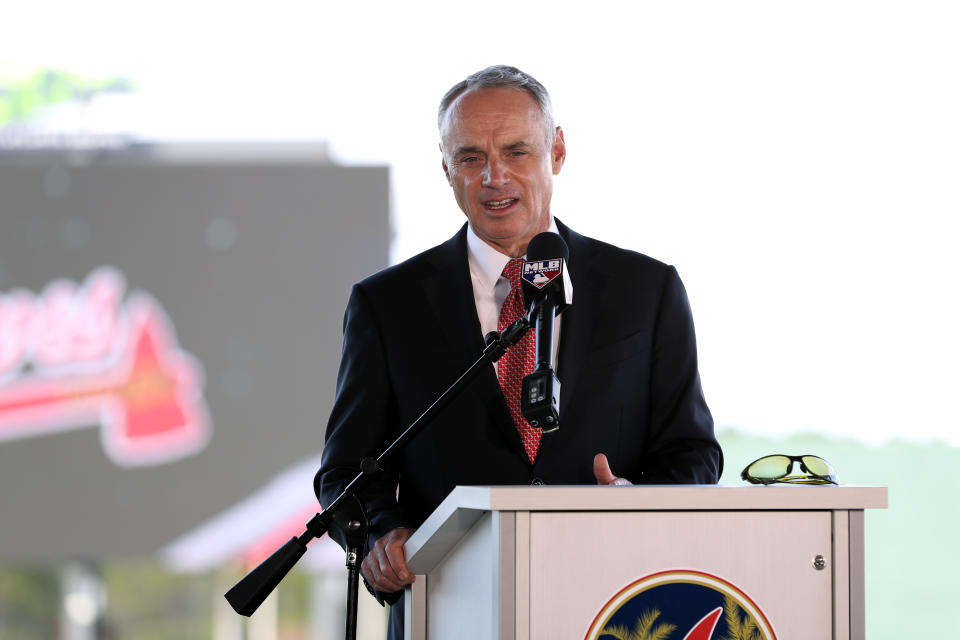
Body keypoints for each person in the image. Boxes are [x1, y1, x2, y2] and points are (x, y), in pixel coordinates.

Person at [314, 65, 722, 638]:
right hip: (448, 608)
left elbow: (693, 453)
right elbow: (345, 471)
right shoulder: (388, 304)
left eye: (515, 151)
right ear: (446, 170)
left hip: (612, 606)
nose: (494, 177)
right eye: (470, 157)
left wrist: (638, 504)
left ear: (557, 151)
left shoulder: (646, 291)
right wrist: (382, 533)